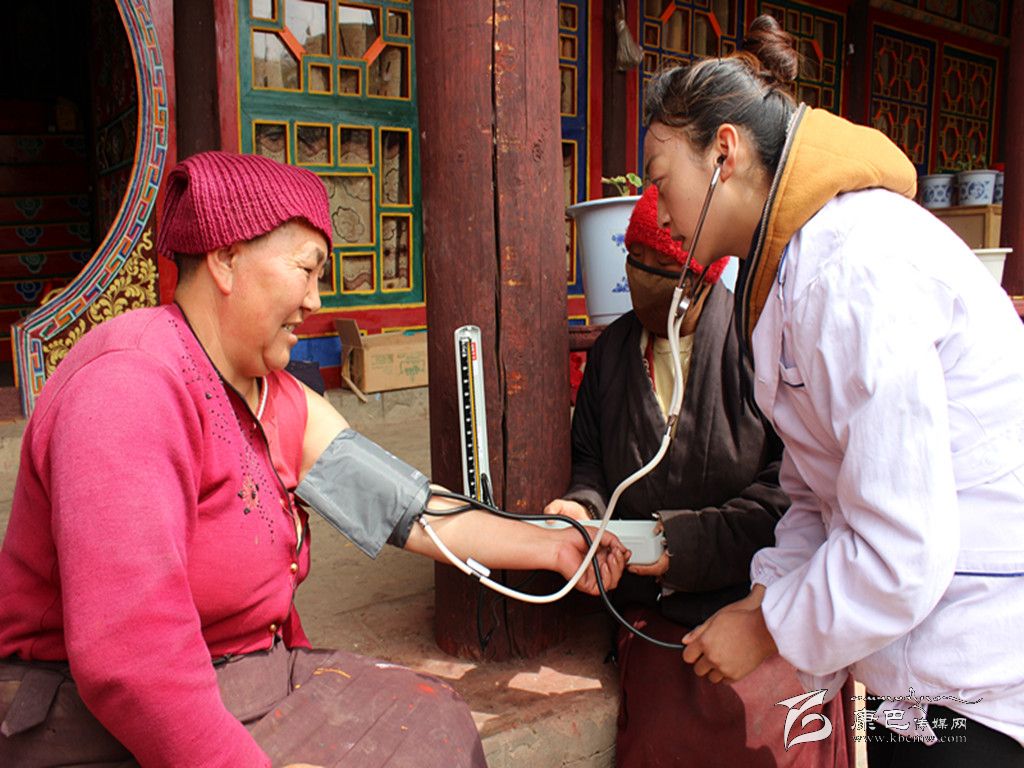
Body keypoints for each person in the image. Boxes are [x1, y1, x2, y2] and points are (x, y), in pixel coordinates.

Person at [0, 151, 628, 767]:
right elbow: (132, 661)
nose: (316, 302)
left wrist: (555, 546)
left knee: (434, 721)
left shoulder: (271, 393)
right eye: (307, 270)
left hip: (246, 674)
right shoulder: (128, 386)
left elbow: (411, 512)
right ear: (226, 259)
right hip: (95, 719)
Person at [643, 13, 1024, 766]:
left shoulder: (850, 269)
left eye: (661, 180)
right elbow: (820, 492)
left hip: (975, 662)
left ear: (724, 153)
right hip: (917, 654)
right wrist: (766, 597)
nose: (659, 211)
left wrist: (766, 627)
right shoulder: (795, 271)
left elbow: (902, 549)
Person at [544, 185, 851, 766]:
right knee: (661, 732)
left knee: (780, 728)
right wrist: (582, 510)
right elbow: (590, 462)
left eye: (663, 264)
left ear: (706, 274)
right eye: (636, 259)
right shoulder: (611, 354)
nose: (644, 277)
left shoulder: (759, 344)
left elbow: (790, 493)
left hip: (756, 594)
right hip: (654, 609)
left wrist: (678, 546)